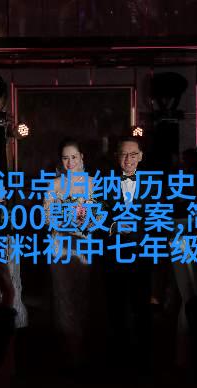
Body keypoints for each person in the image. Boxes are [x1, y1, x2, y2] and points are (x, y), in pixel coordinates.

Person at [43, 138, 95, 368]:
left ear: (82, 157)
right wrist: (66, 218)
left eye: (74, 157)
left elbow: (98, 219)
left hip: (83, 245)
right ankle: (69, 350)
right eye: (66, 158)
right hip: (60, 245)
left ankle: (81, 346)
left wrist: (86, 220)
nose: (70, 162)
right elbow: (48, 219)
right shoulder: (53, 185)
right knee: (63, 295)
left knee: (82, 294)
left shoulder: (93, 184)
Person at [104, 137, 153, 372]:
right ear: (116, 157)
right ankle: (118, 361)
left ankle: (143, 361)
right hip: (113, 256)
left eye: (133, 154)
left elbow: (160, 221)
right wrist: (114, 226)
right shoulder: (104, 183)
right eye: (124, 154)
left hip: (143, 256)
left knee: (142, 308)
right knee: (116, 309)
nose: (128, 159)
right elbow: (96, 217)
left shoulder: (154, 184)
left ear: (141, 156)